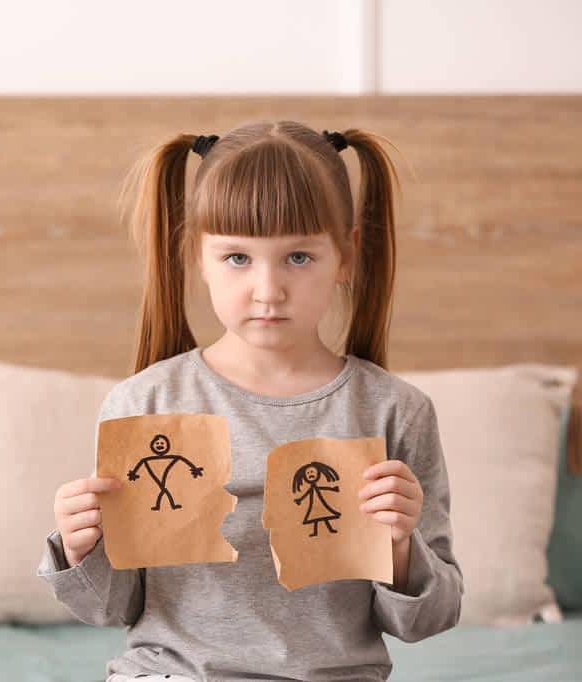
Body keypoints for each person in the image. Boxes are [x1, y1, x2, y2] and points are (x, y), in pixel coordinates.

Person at [35, 120, 464, 682]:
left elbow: (429, 618)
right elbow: (110, 608)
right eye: (238, 258)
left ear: (346, 256)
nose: (268, 290)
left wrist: (401, 547)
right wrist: (77, 546)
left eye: (299, 258)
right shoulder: (143, 402)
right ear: (196, 255)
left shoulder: (394, 410)